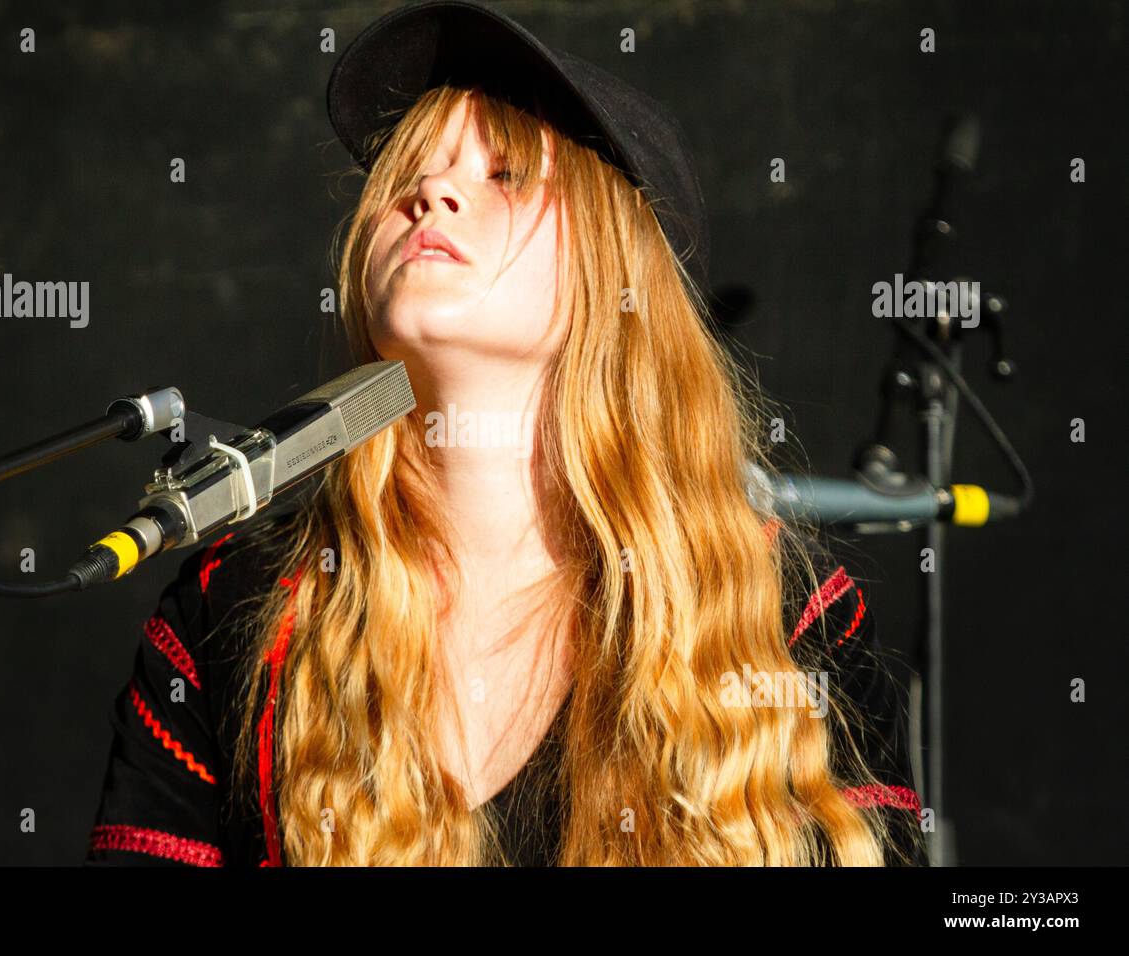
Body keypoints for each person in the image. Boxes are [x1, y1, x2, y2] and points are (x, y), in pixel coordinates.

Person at [84, 0, 926, 867]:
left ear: (618, 266)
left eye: (509, 173)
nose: (428, 192)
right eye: (408, 172)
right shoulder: (233, 610)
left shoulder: (776, 616)